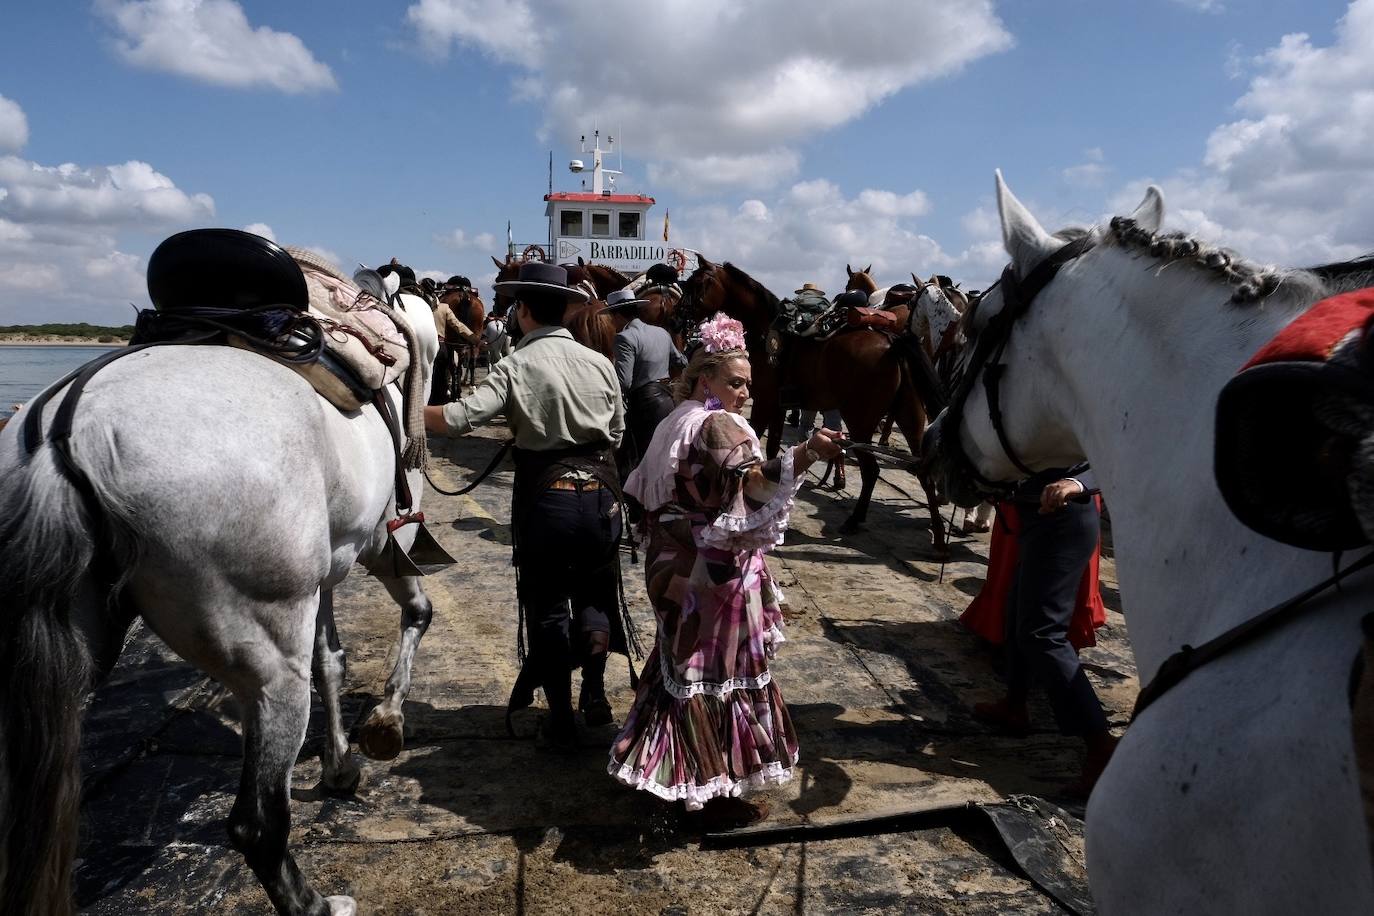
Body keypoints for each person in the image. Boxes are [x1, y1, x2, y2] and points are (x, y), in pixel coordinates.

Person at [608, 312, 844, 829]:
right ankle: (706, 793)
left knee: (681, 673)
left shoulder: (675, 420)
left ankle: (672, 776)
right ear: (704, 377)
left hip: (672, 567)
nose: (743, 394)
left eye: (748, 384)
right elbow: (751, 484)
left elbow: (656, 501)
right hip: (710, 577)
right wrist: (805, 454)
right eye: (735, 382)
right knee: (718, 676)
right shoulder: (718, 423)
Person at [424, 261, 629, 747]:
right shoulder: (599, 362)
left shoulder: (517, 364)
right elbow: (617, 433)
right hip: (603, 498)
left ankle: (560, 719)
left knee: (550, 608)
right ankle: (595, 694)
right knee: (597, 598)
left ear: (524, 311)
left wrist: (405, 406)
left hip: (548, 503)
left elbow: (456, 419)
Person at [969, 467, 1117, 797]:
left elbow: (1113, 454)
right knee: (1016, 612)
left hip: (1063, 521)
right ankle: (1015, 706)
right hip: (1037, 521)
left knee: (1043, 634)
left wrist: (1079, 482)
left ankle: (1101, 747)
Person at [603, 288, 686, 477]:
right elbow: (680, 361)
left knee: (640, 458)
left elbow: (624, 381)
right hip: (667, 399)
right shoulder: (662, 333)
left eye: (610, 316)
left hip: (644, 404)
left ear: (617, 316)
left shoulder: (624, 338)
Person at [429, 290, 483, 405]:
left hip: (424, 347)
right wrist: (476, 339)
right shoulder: (444, 308)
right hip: (441, 346)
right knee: (442, 376)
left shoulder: (422, 305)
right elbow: (458, 325)